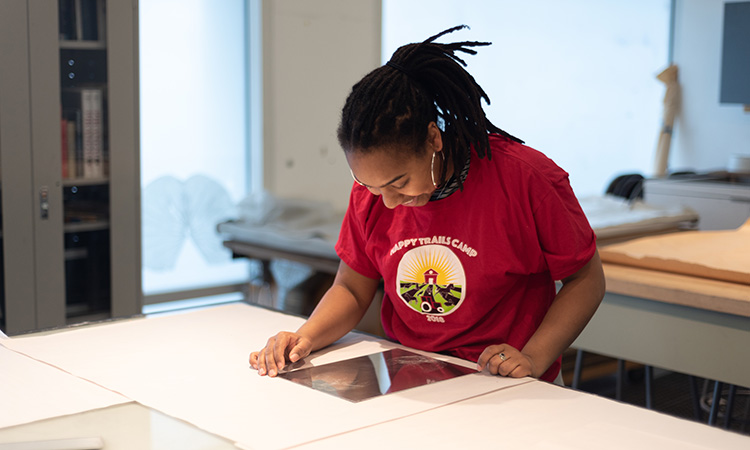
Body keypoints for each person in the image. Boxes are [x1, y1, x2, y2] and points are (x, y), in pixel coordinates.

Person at [250, 25, 605, 384]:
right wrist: (306, 336)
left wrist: (533, 356)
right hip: (412, 370)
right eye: (369, 185)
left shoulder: (525, 178)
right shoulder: (372, 195)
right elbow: (352, 288)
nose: (387, 200)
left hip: (505, 378)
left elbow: (585, 279)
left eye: (399, 182)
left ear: (433, 138)